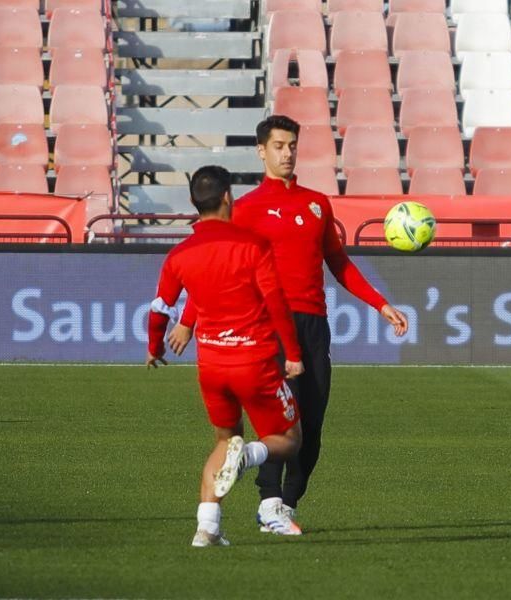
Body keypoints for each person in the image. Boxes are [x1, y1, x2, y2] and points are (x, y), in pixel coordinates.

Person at [169, 115, 409, 536]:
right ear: (261, 151)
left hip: (314, 325)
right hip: (267, 326)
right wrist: (188, 321)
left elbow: (339, 264)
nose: (287, 153)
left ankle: (285, 503)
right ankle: (269, 503)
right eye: (279, 146)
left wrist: (380, 304)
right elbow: (216, 268)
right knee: (279, 423)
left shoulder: (317, 204)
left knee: (311, 427)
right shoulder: (241, 211)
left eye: (292, 145)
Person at [146, 165, 305, 547]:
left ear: (192, 203)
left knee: (223, 441)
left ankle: (207, 528)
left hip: (213, 365)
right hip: (255, 362)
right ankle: (249, 457)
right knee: (289, 438)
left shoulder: (181, 254)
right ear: (228, 197)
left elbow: (159, 308)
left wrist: (155, 346)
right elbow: (276, 303)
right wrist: (294, 354)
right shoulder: (252, 245)